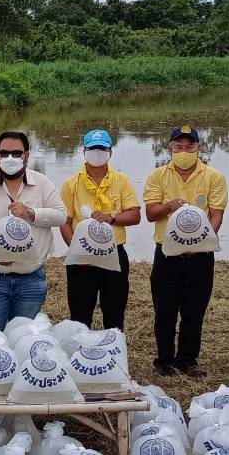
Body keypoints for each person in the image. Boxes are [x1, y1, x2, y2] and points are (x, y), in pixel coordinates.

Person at [143, 125, 228, 378]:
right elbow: (150, 214)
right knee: (165, 310)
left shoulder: (213, 176)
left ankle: (188, 360)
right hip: (167, 254)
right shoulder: (157, 176)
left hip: (200, 257)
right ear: (170, 148)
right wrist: (169, 205)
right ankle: (164, 360)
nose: (184, 151)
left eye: (190, 146)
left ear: (198, 148)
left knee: (194, 310)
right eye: (178, 146)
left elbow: (217, 215)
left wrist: (201, 243)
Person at [0, 131, 67, 332]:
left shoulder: (42, 183)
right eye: (4, 153)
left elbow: (61, 215)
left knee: (24, 337)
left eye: (16, 153)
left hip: (31, 279)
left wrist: (31, 213)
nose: (10, 158)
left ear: (26, 155)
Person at [58, 128, 140, 330]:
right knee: (79, 314)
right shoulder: (71, 185)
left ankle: (112, 354)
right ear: (84, 151)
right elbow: (64, 222)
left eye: (101, 148)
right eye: (92, 148)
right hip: (81, 261)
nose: (97, 153)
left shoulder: (121, 181)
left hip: (114, 255)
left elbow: (135, 215)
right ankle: (79, 355)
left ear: (110, 152)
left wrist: (111, 217)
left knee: (114, 312)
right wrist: (79, 250)